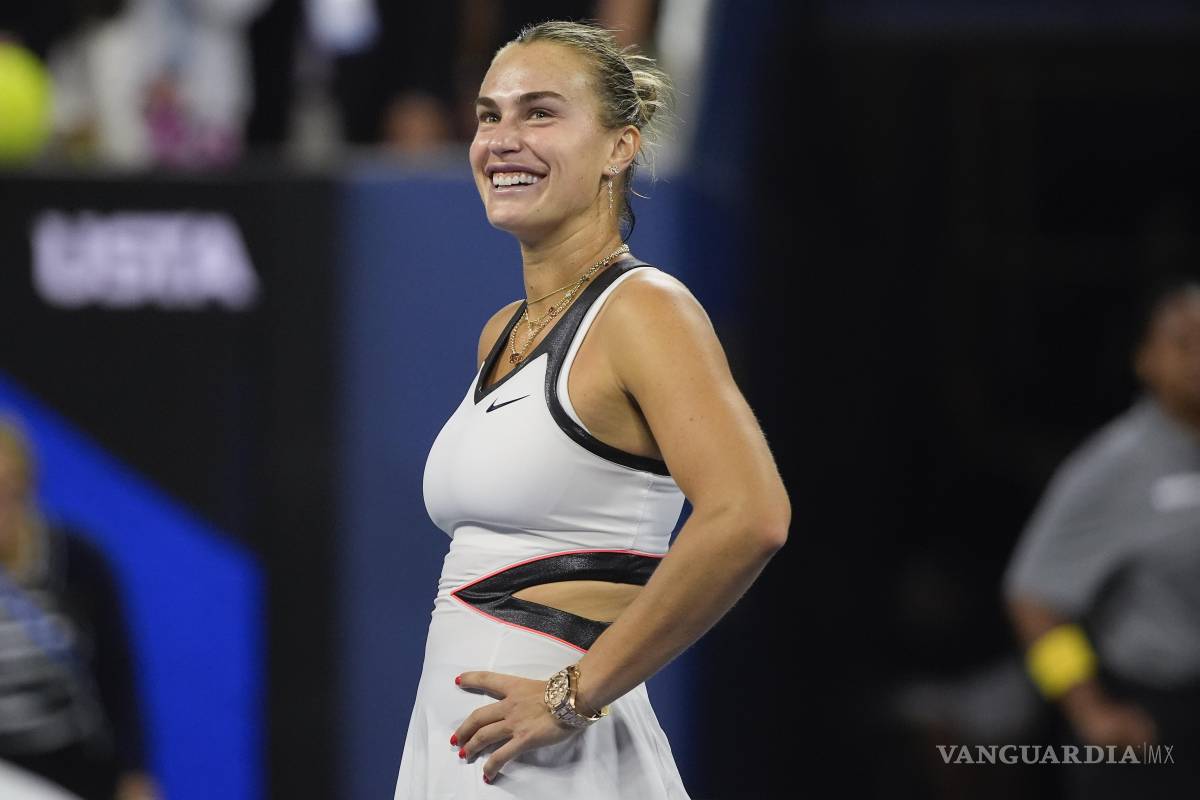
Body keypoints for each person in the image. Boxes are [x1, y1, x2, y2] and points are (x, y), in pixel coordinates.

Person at [393, 20, 791, 797]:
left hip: (554, 759)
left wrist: (570, 696)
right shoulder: (501, 333)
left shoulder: (645, 310)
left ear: (620, 146)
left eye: (540, 112)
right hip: (464, 743)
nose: (502, 139)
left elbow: (749, 515)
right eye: (489, 114)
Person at [1003, 277, 1200, 798]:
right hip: (1156, 717)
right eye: (1183, 342)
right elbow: (1032, 597)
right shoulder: (1114, 465)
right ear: (1146, 359)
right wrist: (1087, 709)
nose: (1199, 358)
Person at [0, 418, 159, 800]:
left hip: (74, 768)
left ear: (29, 487)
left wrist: (135, 773)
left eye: (9, 490)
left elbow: (117, 675)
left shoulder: (78, 563)